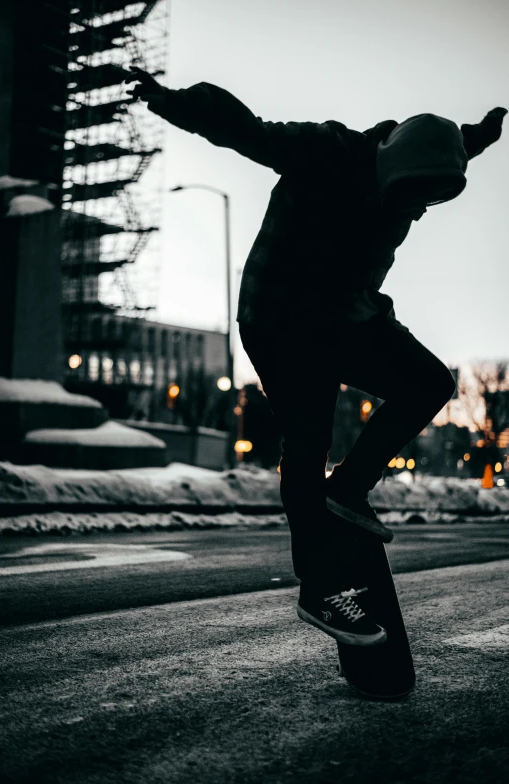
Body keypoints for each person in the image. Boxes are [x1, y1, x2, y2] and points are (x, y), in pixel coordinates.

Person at [124, 66, 506, 646]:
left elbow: (442, 145)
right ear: (392, 165)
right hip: (279, 322)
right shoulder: (326, 150)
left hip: (347, 315)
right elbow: (246, 130)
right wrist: (173, 101)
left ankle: (349, 488)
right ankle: (320, 587)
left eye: (426, 201)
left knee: (429, 382)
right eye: (413, 198)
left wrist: (474, 138)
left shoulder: (415, 165)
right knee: (307, 439)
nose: (418, 212)